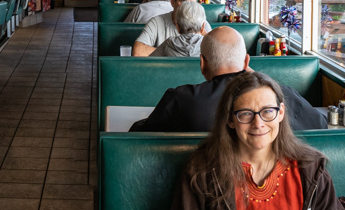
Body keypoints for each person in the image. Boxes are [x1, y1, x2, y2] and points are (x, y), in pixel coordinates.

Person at [159, 71, 345, 210]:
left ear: (280, 113)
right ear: (230, 120)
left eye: (267, 112)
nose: (258, 123)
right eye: (246, 114)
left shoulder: (311, 168)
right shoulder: (202, 169)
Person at [130, 27, 327, 132]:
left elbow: (139, 136)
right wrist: (261, 79)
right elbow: (320, 124)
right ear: (247, 60)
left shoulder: (181, 99)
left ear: (202, 64)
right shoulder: (280, 97)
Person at [133, 0, 204, 56]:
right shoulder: (156, 22)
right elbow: (138, 51)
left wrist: (169, 51)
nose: (188, 7)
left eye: (193, 3)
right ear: (172, 2)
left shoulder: (202, 22)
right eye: (183, 2)